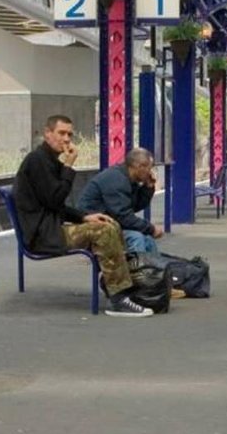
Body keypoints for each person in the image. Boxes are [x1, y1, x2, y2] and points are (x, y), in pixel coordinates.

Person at [12, 116, 153, 318]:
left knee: (107, 223)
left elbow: (56, 203)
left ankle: (117, 287)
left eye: (69, 134)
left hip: (50, 228)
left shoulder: (48, 161)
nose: (67, 139)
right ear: (47, 134)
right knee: (103, 231)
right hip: (42, 235)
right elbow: (54, 199)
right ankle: (119, 298)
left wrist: (85, 217)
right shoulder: (37, 161)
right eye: (61, 133)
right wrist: (68, 167)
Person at [78, 147, 164, 255]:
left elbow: (134, 206)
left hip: (111, 223)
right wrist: (151, 229)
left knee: (147, 240)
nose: (150, 172)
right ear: (139, 167)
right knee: (136, 238)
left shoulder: (128, 179)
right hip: (93, 227)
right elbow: (123, 216)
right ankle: (137, 270)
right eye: (149, 168)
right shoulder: (116, 180)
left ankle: (153, 268)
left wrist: (148, 188)